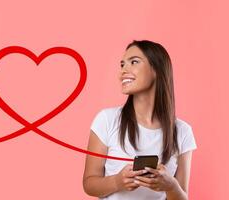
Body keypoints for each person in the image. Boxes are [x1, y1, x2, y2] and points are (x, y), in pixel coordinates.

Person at [83, 40, 196, 200]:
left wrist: (171, 186)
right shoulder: (106, 120)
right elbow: (89, 184)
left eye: (134, 62)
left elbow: (182, 197)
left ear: (156, 69)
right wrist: (117, 181)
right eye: (122, 65)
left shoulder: (182, 132)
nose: (123, 71)